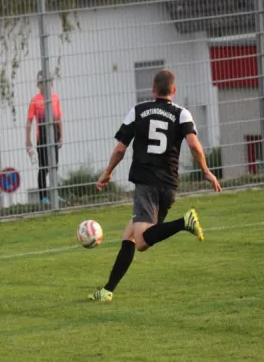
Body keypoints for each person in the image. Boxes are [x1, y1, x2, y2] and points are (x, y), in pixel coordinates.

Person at [88, 69, 222, 302]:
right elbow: (194, 145)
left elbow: (121, 149)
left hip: (146, 184)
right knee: (129, 236)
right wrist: (207, 172)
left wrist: (107, 172)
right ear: (174, 90)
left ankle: (184, 222)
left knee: (141, 242)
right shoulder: (183, 114)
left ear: (152, 89)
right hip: (169, 186)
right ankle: (107, 291)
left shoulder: (138, 111)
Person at [25, 70, 66, 206]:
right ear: (38, 85)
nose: (45, 85)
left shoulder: (55, 98)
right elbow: (29, 122)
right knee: (44, 167)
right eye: (42, 83)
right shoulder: (35, 101)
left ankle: (55, 194)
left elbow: (58, 118)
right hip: (41, 138)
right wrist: (27, 140)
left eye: (47, 82)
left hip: (54, 136)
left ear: (51, 83)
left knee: (54, 166)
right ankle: (43, 197)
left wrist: (61, 136)